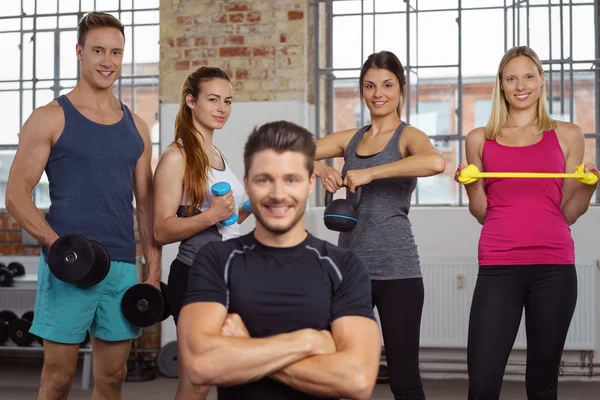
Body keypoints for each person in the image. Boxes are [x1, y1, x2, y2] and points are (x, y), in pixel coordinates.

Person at [4, 12, 161, 400]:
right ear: (79, 52)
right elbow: (16, 195)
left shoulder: (137, 127)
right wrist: (58, 247)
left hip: (122, 267)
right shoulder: (49, 118)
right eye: (98, 51)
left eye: (116, 52)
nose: (107, 61)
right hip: (67, 267)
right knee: (57, 379)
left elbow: (146, 206)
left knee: (113, 377)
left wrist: (153, 271)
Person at [176, 120, 382, 400]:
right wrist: (308, 341)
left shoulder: (344, 267)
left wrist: (245, 347)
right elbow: (200, 365)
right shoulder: (216, 260)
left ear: (310, 184)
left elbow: (356, 379)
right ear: (247, 185)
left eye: (291, 179)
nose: (278, 194)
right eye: (264, 179)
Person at [455, 45, 600, 399]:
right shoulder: (479, 139)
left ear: (541, 81)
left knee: (542, 383)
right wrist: (473, 185)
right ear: (501, 85)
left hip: (554, 267)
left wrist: (589, 189)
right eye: (511, 78)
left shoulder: (568, 135)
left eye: (529, 76)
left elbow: (568, 213)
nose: (521, 85)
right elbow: (481, 213)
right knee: (483, 385)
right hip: (499, 265)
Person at [313, 50, 446, 399]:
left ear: (400, 88)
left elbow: (434, 161)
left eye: (387, 84)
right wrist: (322, 168)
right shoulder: (351, 139)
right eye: (370, 86)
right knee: (341, 372)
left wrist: (371, 172)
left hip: (398, 270)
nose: (378, 93)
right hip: (351, 272)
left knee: (403, 377)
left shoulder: (407, 137)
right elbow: (288, 150)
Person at [153, 66, 251, 400]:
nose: (222, 107)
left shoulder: (218, 155)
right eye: (213, 99)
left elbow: (228, 221)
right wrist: (211, 215)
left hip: (231, 273)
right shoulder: (176, 156)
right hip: (196, 275)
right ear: (191, 101)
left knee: (232, 371)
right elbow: (161, 229)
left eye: (227, 100)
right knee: (197, 381)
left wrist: (250, 207)